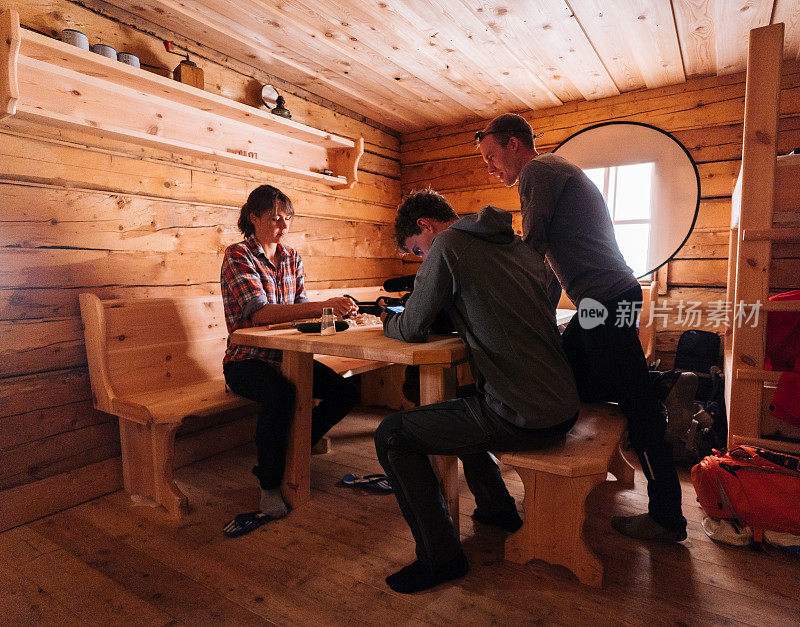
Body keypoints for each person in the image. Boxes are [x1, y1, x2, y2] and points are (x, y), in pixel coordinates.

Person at [475, 113, 687, 542]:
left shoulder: (539, 170)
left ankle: (667, 516)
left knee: (634, 405)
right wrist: (537, 314)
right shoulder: (556, 172)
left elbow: (532, 248)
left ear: (515, 144)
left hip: (605, 300)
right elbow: (551, 267)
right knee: (565, 373)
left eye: (492, 156)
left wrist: (501, 301)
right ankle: (653, 384)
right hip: (608, 297)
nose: (490, 167)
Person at [374, 190, 579, 594]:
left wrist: (386, 319)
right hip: (562, 404)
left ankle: (441, 557)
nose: (422, 260)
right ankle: (497, 508)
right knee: (458, 409)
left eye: (418, 252)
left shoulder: (449, 245)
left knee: (392, 435)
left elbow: (412, 325)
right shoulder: (512, 245)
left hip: (525, 415)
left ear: (425, 226)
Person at [220, 184, 359, 537]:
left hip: (287, 356)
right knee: (281, 394)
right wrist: (323, 305)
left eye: (288, 219)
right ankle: (269, 483)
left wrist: (337, 316)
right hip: (245, 360)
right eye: (275, 218)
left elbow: (299, 311)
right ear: (254, 218)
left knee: (347, 392)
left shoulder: (291, 257)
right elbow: (260, 314)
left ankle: (293, 450)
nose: (283, 225)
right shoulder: (238, 255)